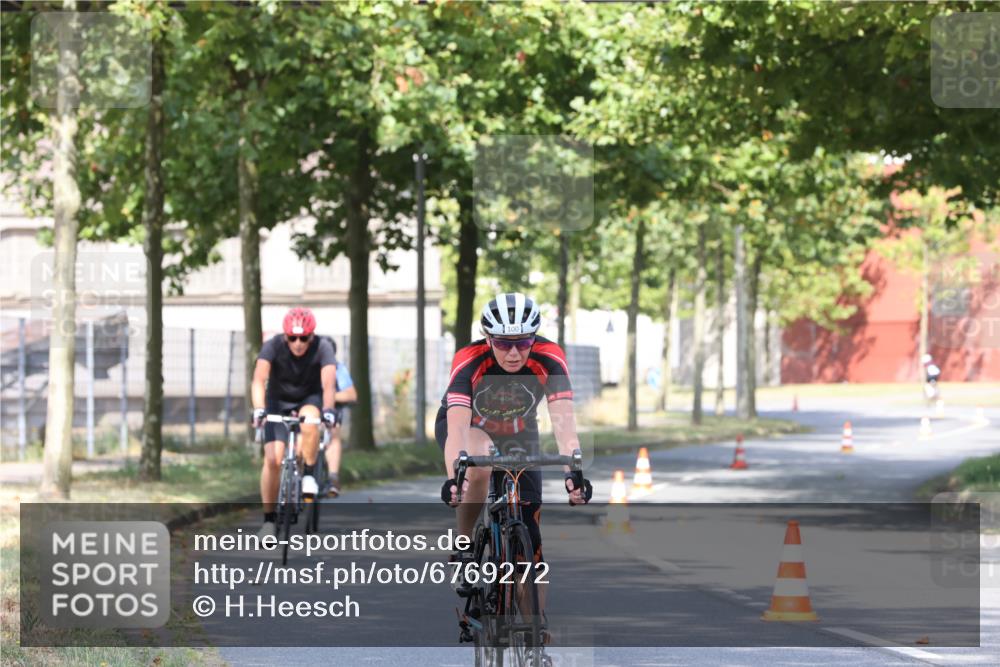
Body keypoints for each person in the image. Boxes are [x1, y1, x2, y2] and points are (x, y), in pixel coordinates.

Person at [436, 292, 592, 646]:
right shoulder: (469, 359)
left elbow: (564, 424)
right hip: (470, 429)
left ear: (534, 338)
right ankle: (464, 543)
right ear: (488, 339)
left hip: (520, 433)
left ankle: (535, 626)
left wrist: (574, 472)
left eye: (522, 342)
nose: (513, 353)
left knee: (531, 535)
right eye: (504, 344)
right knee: (479, 459)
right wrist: (453, 478)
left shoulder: (549, 358)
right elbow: (457, 428)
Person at [250, 307, 338, 538]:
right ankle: (269, 521)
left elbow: (329, 384)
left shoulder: (323, 347)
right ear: (285, 336)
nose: (298, 343)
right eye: (292, 338)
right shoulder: (273, 346)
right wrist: (259, 409)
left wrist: (329, 410)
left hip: (309, 398)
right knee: (273, 459)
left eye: (303, 338)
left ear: (312, 336)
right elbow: (259, 379)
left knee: (310, 421)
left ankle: (308, 472)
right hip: (277, 401)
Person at [318, 336, 358, 498]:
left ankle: (333, 477)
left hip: (329, 413)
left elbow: (351, 395)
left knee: (333, 433)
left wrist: (329, 396)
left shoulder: (338, 369)